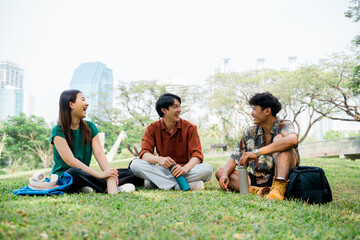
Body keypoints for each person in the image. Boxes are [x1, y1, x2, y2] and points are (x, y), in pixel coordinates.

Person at [51, 89, 142, 194]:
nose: (87, 104)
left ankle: (91, 187)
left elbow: (99, 154)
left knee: (129, 173)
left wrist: (109, 175)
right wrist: (98, 175)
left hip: (85, 175)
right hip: (66, 177)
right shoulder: (58, 130)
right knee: (73, 173)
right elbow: (71, 161)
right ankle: (106, 187)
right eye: (83, 100)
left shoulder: (90, 127)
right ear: (71, 104)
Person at [216, 92, 300, 201]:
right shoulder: (250, 132)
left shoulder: (284, 125)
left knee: (280, 140)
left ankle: (278, 189)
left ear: (267, 111)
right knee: (221, 171)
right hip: (257, 179)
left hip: (281, 176)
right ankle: (256, 190)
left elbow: (292, 140)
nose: (252, 113)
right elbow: (234, 158)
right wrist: (224, 175)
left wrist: (256, 153)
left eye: (255, 109)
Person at [130, 93, 213, 190]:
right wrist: (159, 159)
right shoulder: (152, 128)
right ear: (164, 110)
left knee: (207, 169)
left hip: (185, 170)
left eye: (179, 107)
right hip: (163, 170)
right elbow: (144, 154)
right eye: (175, 107)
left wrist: (185, 169)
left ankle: (157, 183)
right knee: (135, 164)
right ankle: (178, 186)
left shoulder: (190, 128)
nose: (179, 110)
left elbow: (197, 155)